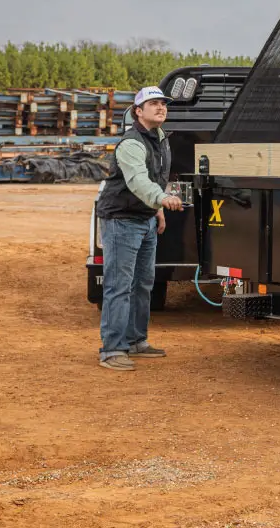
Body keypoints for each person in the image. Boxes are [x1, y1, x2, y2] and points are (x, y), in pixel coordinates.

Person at [95, 85, 183, 370]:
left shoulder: (161, 140)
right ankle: (112, 349)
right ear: (138, 111)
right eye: (153, 103)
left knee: (143, 283)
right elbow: (138, 181)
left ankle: (135, 341)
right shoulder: (131, 143)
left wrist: (157, 210)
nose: (160, 107)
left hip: (144, 219)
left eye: (163, 103)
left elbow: (156, 178)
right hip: (121, 220)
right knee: (119, 286)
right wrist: (162, 199)